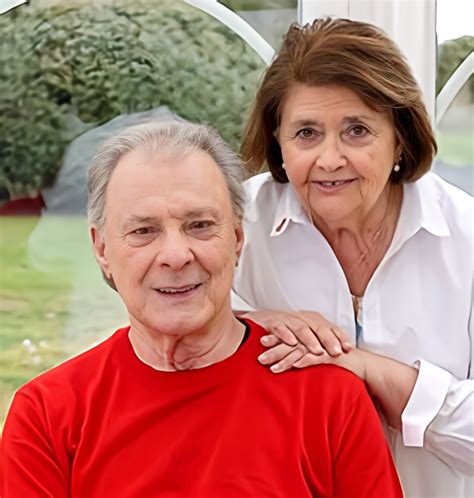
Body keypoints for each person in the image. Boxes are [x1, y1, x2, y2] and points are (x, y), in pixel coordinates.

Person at [1, 122, 402, 497]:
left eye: (200, 225)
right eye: (144, 231)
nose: (176, 256)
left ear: (238, 237)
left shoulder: (330, 400)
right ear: (102, 249)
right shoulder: (47, 416)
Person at [232, 17, 474, 498]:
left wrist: (373, 371)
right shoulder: (236, 224)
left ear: (400, 137)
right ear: (278, 140)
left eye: (357, 130)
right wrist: (250, 325)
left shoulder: (467, 236)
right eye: (306, 133)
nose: (329, 158)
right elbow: (171, 349)